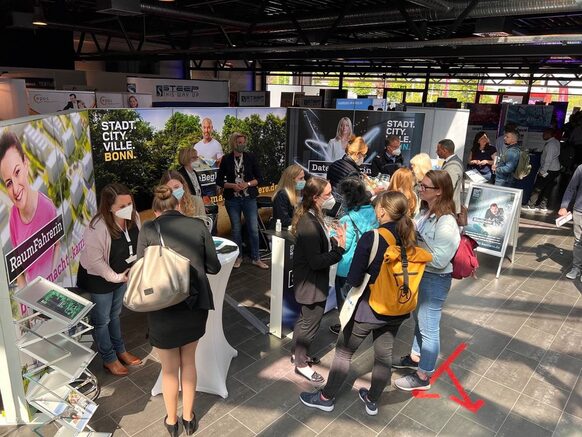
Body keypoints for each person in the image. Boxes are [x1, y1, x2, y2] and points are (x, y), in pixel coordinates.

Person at [299, 191, 418, 416]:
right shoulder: (410, 235)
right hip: (398, 307)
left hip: (369, 309)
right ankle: (373, 400)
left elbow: (353, 279)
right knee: (384, 354)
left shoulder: (372, 238)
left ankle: (326, 397)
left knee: (344, 352)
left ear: (382, 211)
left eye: (377, 207)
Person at [136, 185, 220, 436]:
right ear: (180, 205)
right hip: (193, 305)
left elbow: (142, 268)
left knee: (169, 368)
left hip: (161, 308)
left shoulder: (149, 228)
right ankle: (189, 417)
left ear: (155, 209)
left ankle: (172, 421)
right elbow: (213, 267)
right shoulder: (197, 226)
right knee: (189, 361)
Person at [393, 170, 460, 391]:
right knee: (420, 321)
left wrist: (414, 251)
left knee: (429, 328)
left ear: (439, 191)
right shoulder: (426, 213)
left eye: (425, 187)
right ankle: (415, 358)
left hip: (434, 279)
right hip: (422, 276)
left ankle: (423, 376)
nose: (420, 189)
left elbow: (440, 260)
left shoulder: (446, 222)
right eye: (420, 185)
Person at [79, 183, 142, 376]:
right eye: (122, 206)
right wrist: (116, 277)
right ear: (109, 207)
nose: (128, 209)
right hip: (100, 279)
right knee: (102, 320)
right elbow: (96, 262)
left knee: (115, 314)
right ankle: (108, 358)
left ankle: (120, 350)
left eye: (129, 203)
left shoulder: (134, 217)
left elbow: (138, 243)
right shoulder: (96, 228)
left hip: (121, 276)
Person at [291, 176, 346, 383]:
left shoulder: (313, 216)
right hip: (311, 283)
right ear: (315, 197)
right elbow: (315, 261)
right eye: (328, 194)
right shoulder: (309, 223)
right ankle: (301, 364)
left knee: (305, 320)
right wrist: (339, 249)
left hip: (310, 281)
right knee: (310, 324)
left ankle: (297, 354)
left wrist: (331, 240)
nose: (332, 197)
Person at [0, 131, 59, 286]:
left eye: (17, 172)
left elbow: (57, 245)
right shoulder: (13, 216)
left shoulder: (48, 208)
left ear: (26, 163)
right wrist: (26, 304)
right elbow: (19, 267)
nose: (15, 188)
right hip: (33, 298)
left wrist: (53, 281)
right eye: (8, 183)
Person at [329, 177, 378, 336]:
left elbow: (343, 245)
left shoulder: (347, 219)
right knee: (358, 298)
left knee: (345, 299)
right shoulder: (373, 212)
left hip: (346, 267)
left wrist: (331, 232)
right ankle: (357, 323)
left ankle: (345, 327)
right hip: (366, 264)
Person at [217, 132, 269, 270]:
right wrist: (232, 186)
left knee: (253, 229)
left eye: (243, 142)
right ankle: (238, 257)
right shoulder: (226, 159)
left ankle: (256, 258)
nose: (242, 145)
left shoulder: (251, 157)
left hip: (249, 198)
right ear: (233, 143)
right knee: (236, 230)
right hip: (232, 200)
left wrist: (248, 184)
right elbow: (219, 181)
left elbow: (260, 178)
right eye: (239, 142)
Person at [177, 147, 216, 233]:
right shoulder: (179, 175)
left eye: (197, 157)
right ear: (186, 159)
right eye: (194, 157)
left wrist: (202, 204)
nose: (197, 159)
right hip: (188, 209)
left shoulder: (194, 173)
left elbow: (198, 191)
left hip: (198, 207)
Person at [526, 128, 561, 212]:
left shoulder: (550, 145)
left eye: (544, 133)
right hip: (555, 169)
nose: (543, 135)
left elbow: (548, 159)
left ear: (549, 134)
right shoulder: (556, 142)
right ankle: (543, 206)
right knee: (548, 188)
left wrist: (543, 171)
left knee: (538, 187)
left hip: (549, 169)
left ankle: (531, 205)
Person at [559, 164, 582, 280]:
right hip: (579, 210)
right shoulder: (581, 168)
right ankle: (576, 267)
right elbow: (571, 187)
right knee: (578, 241)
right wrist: (564, 206)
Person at [270, 164, 305, 229]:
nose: (304, 181)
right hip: (280, 232)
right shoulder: (282, 195)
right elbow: (284, 220)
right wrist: (304, 222)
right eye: (301, 178)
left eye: (303, 177)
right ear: (291, 179)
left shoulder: (298, 194)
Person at [437, 139, 463, 214]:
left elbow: (448, 187)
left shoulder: (453, 166)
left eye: (438, 150)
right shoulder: (451, 162)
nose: (436, 152)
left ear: (445, 150)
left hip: (448, 209)